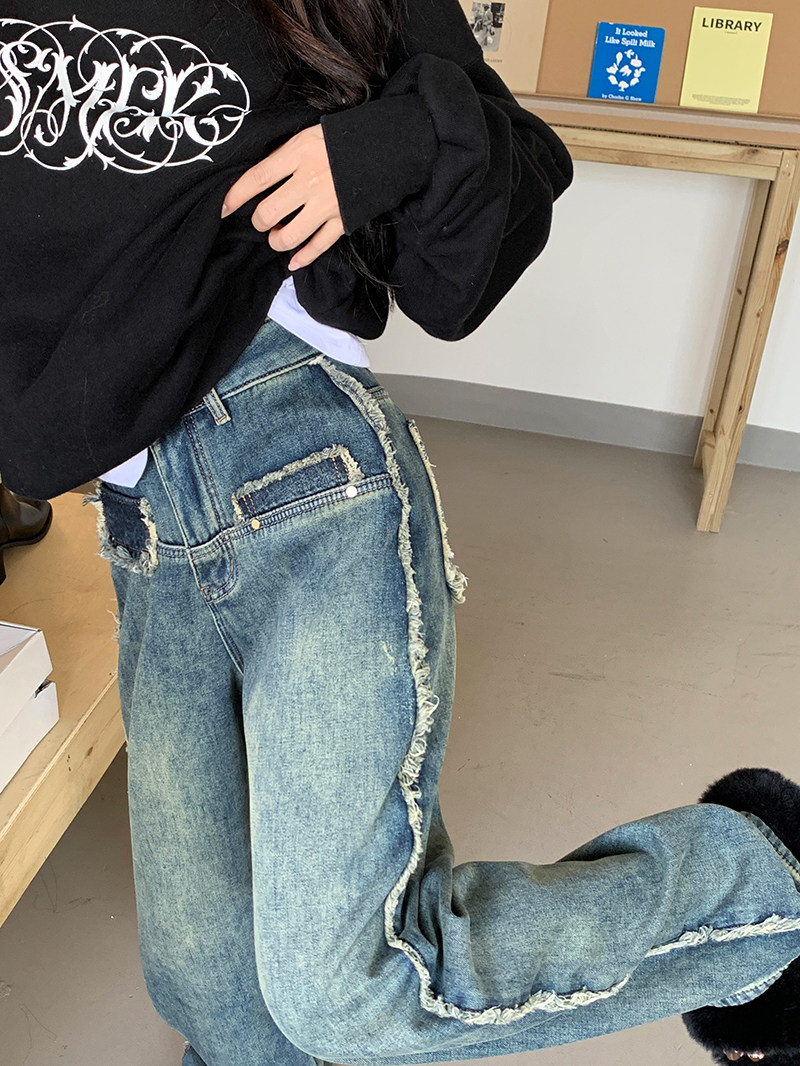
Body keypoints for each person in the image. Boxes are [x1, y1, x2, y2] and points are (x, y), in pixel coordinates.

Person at [2, 1, 800, 1065]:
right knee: (211, 994)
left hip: (300, 470)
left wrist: (393, 141)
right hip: (142, 523)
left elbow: (511, 168)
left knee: (352, 988)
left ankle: (765, 892)